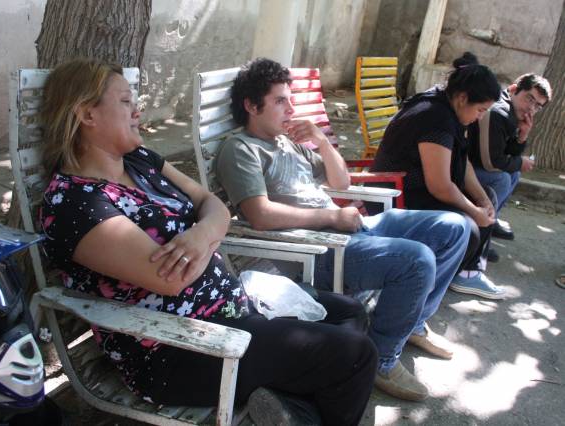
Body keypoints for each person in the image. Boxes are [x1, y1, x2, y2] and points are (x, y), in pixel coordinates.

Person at [38, 58, 378, 426]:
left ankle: (290, 411)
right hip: (180, 348)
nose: (137, 111)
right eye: (124, 101)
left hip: (232, 312)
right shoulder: (74, 203)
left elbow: (211, 203)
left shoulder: (140, 161)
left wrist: (201, 234)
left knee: (350, 312)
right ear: (86, 114)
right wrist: (210, 232)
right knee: (355, 355)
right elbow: (171, 278)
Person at [215, 58, 471, 402]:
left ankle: (410, 324)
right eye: (280, 101)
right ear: (251, 105)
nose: (290, 109)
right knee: (417, 260)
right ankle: (382, 358)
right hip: (319, 249)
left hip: (347, 228)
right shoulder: (241, 149)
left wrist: (321, 140)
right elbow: (259, 215)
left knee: (454, 227)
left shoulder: (286, 142)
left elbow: (340, 181)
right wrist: (332, 218)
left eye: (290, 100)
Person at [372, 52, 505, 300]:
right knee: (468, 229)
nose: (480, 117)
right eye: (480, 110)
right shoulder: (435, 117)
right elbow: (440, 186)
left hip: (418, 190)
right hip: (397, 195)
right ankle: (419, 293)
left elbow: (462, 162)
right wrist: (475, 212)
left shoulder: (450, 109)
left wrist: (482, 200)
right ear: (463, 98)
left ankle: (464, 273)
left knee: (487, 196)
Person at [468, 73, 552, 240]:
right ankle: (478, 233)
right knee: (502, 179)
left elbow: (505, 153)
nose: (531, 108)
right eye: (530, 99)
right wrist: (520, 162)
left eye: (538, 106)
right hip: (459, 166)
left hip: (473, 164)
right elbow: (490, 162)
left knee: (513, 173)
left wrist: (522, 136)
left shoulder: (512, 111)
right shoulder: (498, 112)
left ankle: (491, 220)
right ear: (514, 89)